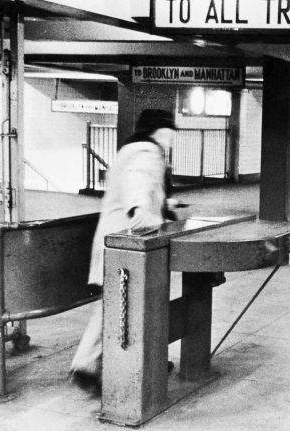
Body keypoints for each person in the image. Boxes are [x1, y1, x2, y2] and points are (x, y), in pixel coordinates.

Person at [69, 109, 176, 393]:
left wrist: (165, 205)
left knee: (125, 302)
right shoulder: (146, 151)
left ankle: (141, 358)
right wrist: (139, 207)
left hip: (119, 236)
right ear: (157, 131)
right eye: (169, 130)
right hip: (126, 241)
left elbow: (141, 184)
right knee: (121, 303)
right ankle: (87, 364)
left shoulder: (129, 149)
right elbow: (137, 180)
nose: (172, 136)